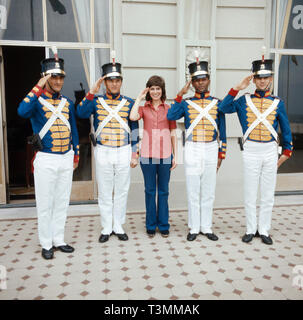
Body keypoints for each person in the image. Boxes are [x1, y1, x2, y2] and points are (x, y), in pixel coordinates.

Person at [219, 58, 293, 245]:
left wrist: (286, 151)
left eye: (265, 77)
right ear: (253, 79)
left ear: (270, 79)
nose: (262, 81)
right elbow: (223, 107)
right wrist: (238, 87)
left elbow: (285, 127)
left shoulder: (278, 103)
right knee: (250, 192)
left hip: (269, 149)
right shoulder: (243, 101)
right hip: (251, 149)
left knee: (267, 193)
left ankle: (264, 229)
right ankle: (251, 229)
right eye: (258, 77)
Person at [18, 51, 79, 260]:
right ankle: (46, 243)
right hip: (46, 157)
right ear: (45, 77)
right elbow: (21, 111)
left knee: (62, 201)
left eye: (60, 77)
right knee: (45, 204)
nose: (58, 81)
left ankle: (59, 239)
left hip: (65, 156)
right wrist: (38, 86)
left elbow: (74, 130)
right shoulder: (36, 100)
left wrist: (76, 153)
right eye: (53, 77)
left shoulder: (67, 102)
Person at [77, 56, 139, 243]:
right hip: (103, 150)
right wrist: (91, 92)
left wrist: (135, 152)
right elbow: (81, 113)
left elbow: (134, 128)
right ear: (105, 82)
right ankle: (106, 227)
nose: (114, 83)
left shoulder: (129, 102)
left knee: (121, 190)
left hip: (124, 149)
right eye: (110, 80)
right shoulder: (96, 101)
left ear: (121, 81)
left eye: (117, 80)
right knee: (104, 191)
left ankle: (118, 225)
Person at [167, 60, 226, 242]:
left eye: (203, 79)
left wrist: (221, 153)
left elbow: (222, 130)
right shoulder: (185, 103)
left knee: (208, 190)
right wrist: (180, 94)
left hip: (210, 147)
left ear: (208, 80)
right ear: (192, 83)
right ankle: (194, 227)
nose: (200, 82)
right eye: (197, 80)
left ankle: (206, 226)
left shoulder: (217, 103)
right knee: (193, 190)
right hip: (192, 147)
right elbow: (171, 115)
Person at [130, 76, 177, 238]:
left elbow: (173, 133)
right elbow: (132, 117)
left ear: (162, 90)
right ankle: (151, 224)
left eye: (158, 88)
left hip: (165, 155)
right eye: (152, 88)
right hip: (147, 156)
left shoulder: (169, 108)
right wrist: (139, 98)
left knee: (164, 191)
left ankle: (163, 224)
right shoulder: (143, 108)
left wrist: (176, 156)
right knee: (150, 191)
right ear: (148, 90)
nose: (155, 91)